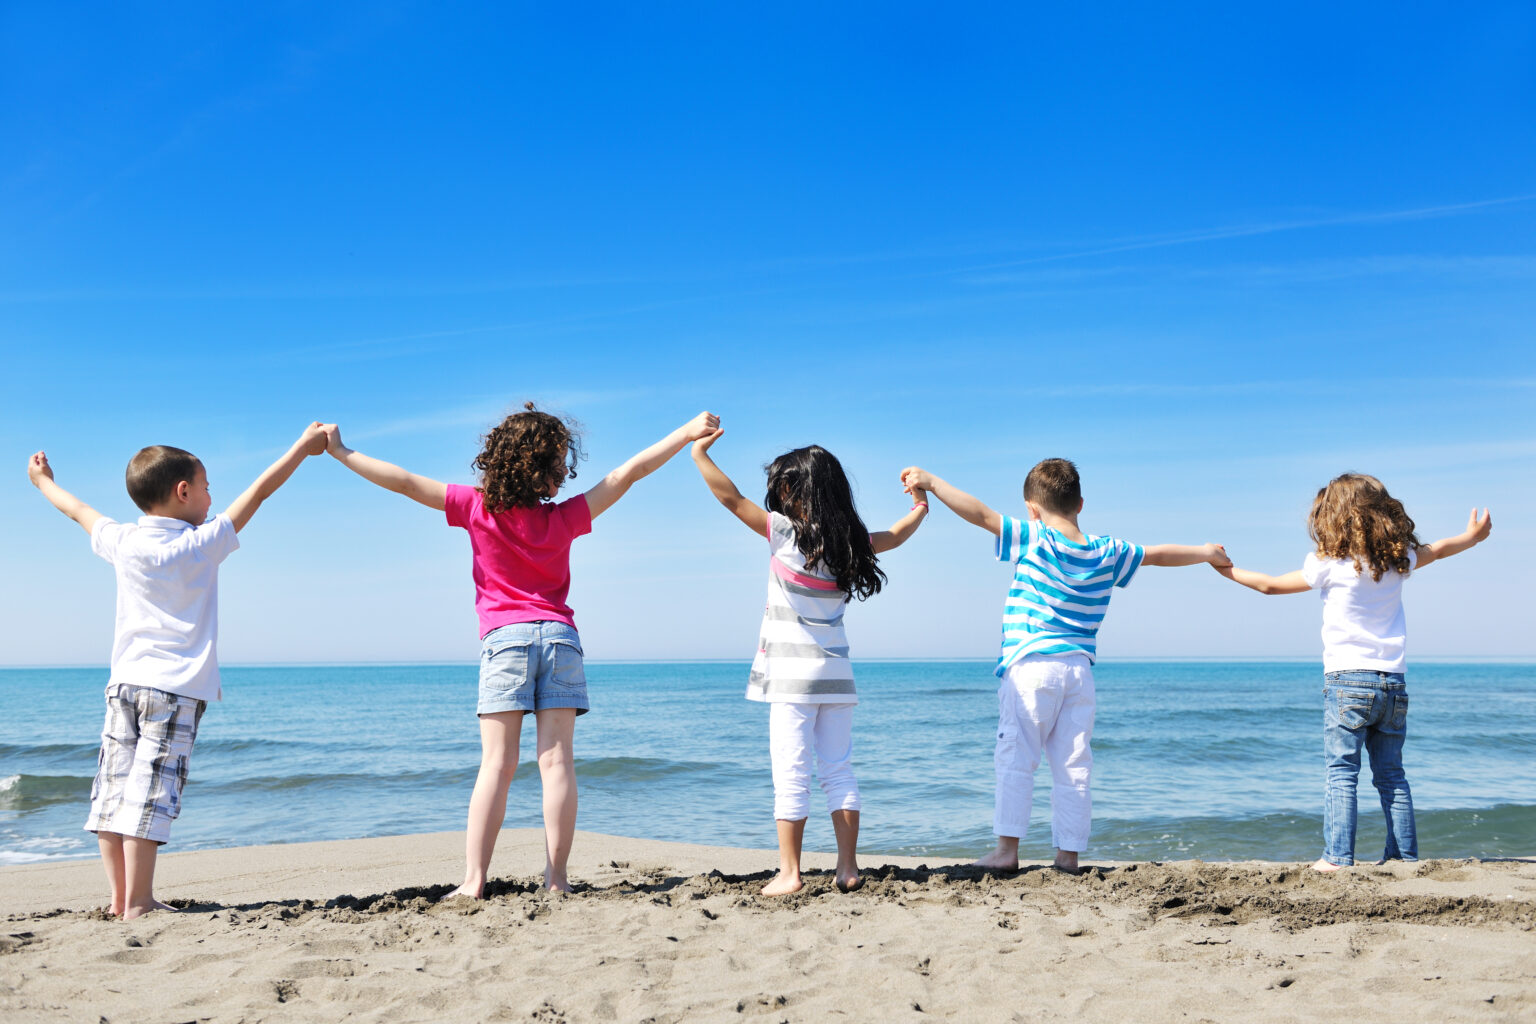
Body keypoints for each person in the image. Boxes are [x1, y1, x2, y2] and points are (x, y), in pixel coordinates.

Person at [324, 405, 719, 896]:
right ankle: (557, 880)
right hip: (559, 639)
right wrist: (684, 432)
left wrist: (342, 453)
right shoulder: (565, 517)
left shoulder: (475, 506)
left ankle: (474, 881)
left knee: (497, 765)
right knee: (557, 763)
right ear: (549, 469)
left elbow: (404, 481)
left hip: (505, 641)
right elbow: (627, 474)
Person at [26, 424, 330, 919]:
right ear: (182, 491)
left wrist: (42, 481)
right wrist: (300, 449)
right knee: (150, 791)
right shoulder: (200, 544)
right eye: (207, 486)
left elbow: (77, 509)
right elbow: (262, 490)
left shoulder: (123, 541)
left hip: (123, 684)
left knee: (114, 790)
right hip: (174, 689)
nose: (213, 496)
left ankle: (120, 899)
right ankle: (141, 902)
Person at [899, 459, 1230, 873]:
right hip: (1078, 672)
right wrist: (1205, 553)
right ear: (1081, 504)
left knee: (1016, 759)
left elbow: (979, 513)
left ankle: (1006, 851)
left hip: (1032, 666)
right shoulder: (1108, 550)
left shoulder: (1035, 538)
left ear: (1032, 509)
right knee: (1074, 765)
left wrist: (931, 481)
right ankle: (1068, 855)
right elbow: (1158, 554)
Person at [1211, 473, 1492, 871]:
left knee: (1342, 772)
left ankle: (1338, 858)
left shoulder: (1329, 564)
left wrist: (1225, 570)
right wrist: (1473, 538)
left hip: (1347, 681)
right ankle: (1404, 858)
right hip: (1393, 682)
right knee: (1392, 775)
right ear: (1384, 514)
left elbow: (1271, 586)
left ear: (1334, 518)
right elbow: (1441, 549)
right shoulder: (1399, 559)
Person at [692, 430, 928, 895]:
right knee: (838, 769)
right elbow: (897, 536)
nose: (776, 499)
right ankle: (847, 867)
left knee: (791, 771)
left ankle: (789, 872)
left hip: (791, 679)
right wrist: (920, 506)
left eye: (782, 490)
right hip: (837, 677)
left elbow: (730, 498)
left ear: (798, 493)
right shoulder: (852, 542)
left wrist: (698, 453)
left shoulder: (784, 535)